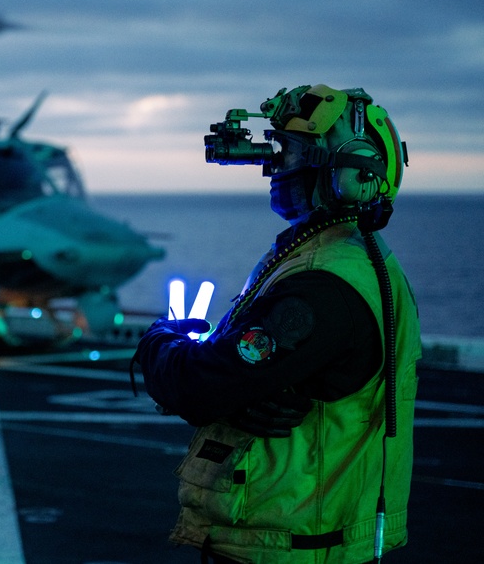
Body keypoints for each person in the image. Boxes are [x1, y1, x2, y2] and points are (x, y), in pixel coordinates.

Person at [132, 85, 421, 563]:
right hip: (299, 539)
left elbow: (201, 384)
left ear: (348, 173)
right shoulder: (336, 260)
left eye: (287, 152)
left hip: (291, 546)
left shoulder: (321, 286)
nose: (274, 167)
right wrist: (242, 394)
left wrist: (159, 339)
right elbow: (244, 375)